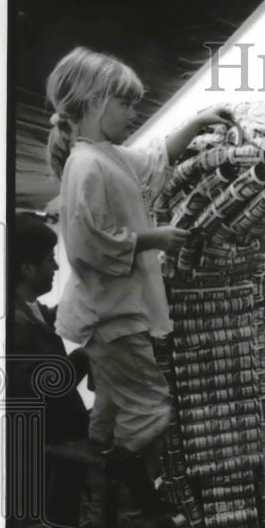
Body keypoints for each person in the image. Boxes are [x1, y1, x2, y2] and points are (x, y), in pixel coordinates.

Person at [45, 46, 229, 484]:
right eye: (125, 103)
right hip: (112, 314)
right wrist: (153, 238)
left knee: (112, 402)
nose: (134, 112)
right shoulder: (87, 164)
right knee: (150, 408)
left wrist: (198, 122)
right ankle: (122, 493)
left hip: (113, 311)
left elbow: (155, 160)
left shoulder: (106, 155)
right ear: (93, 103)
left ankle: (97, 486)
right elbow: (87, 244)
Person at [7, 213, 91, 528]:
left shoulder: (33, 312)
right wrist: (86, 357)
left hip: (62, 450)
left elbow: (56, 317)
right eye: (48, 259)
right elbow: (43, 387)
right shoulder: (11, 325)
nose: (55, 266)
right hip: (39, 459)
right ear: (26, 268)